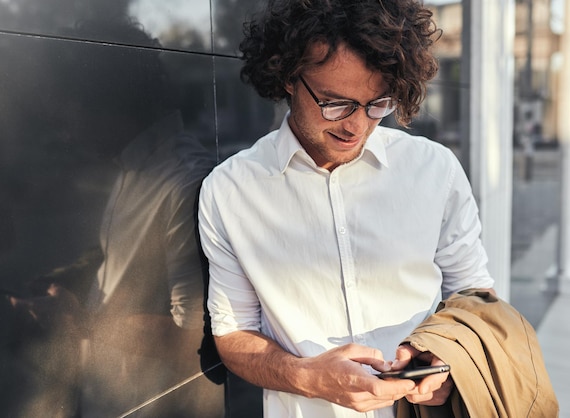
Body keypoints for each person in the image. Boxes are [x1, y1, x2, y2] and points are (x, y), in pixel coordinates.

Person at [197, 1, 496, 417]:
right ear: (288, 77)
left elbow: (474, 296)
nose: (356, 126)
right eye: (335, 103)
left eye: (378, 103)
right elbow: (233, 335)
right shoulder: (230, 191)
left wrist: (446, 362)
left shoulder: (435, 169)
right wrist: (308, 377)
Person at [8, 19, 222, 418]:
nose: (65, 129)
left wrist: (79, 319)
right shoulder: (133, 168)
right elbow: (128, 252)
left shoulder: (184, 183)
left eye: (68, 110)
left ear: (107, 102)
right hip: (112, 398)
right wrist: (71, 276)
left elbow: (193, 337)